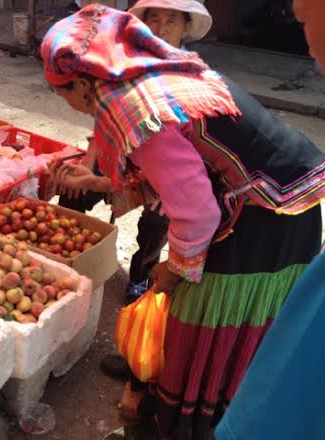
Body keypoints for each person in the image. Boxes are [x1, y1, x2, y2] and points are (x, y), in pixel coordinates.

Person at [42, 5, 324, 439]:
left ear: (81, 81)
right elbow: (175, 173)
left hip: (270, 214)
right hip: (258, 197)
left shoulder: (133, 107)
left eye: (60, 91)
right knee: (188, 305)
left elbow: (196, 210)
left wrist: (174, 269)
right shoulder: (148, 77)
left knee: (200, 305)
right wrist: (99, 181)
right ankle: (156, 376)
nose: (65, 101)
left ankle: (182, 420)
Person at [213, 1, 325, 438]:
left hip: (279, 203)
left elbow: (193, 207)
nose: (295, 7)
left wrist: (179, 265)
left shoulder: (166, 93)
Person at [59, 0, 213, 303]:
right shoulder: (125, 64)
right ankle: (65, 253)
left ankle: (141, 275)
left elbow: (194, 153)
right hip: (123, 153)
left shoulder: (190, 74)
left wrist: (168, 195)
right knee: (73, 190)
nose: (161, 29)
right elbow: (102, 120)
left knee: (157, 221)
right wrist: (90, 166)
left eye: (171, 21)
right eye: (153, 20)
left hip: (172, 168)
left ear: (185, 28)